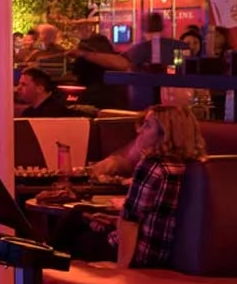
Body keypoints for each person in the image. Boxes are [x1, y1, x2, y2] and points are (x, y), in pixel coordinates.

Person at [84, 104, 206, 268]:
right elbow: (159, 216)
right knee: (90, 220)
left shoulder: (152, 166)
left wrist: (120, 270)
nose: (139, 131)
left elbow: (130, 221)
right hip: (164, 254)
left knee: (75, 225)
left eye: (147, 126)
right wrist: (114, 222)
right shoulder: (193, 166)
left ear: (165, 134)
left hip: (141, 256)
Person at [122, 12, 185, 110]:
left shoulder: (136, 50)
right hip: (166, 96)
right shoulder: (176, 47)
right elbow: (180, 67)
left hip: (144, 98)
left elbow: (127, 66)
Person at [69, 32, 130, 110]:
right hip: (109, 101)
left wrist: (82, 54)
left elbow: (123, 64)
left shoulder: (87, 58)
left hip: (100, 99)